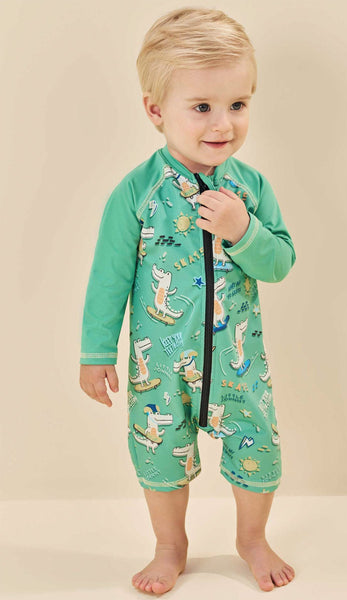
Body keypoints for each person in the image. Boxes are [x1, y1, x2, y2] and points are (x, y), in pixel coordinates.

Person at [79, 7, 296, 595]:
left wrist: (243, 230)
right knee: (160, 455)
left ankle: (252, 539)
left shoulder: (250, 188)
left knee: (259, 449)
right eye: (202, 106)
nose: (223, 123)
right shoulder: (137, 192)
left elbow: (280, 262)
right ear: (156, 110)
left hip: (238, 365)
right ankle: (170, 546)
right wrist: (96, 352)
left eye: (238, 104)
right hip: (161, 364)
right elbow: (108, 279)